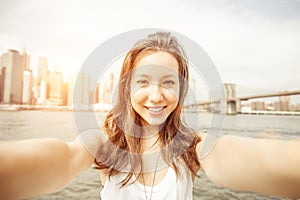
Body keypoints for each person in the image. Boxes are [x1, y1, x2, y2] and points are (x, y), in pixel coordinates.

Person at [0, 31, 300, 200]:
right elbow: (62, 157)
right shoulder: (104, 143)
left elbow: (267, 160)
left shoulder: (193, 147)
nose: (156, 96)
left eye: (168, 82)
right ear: (127, 87)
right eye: (143, 81)